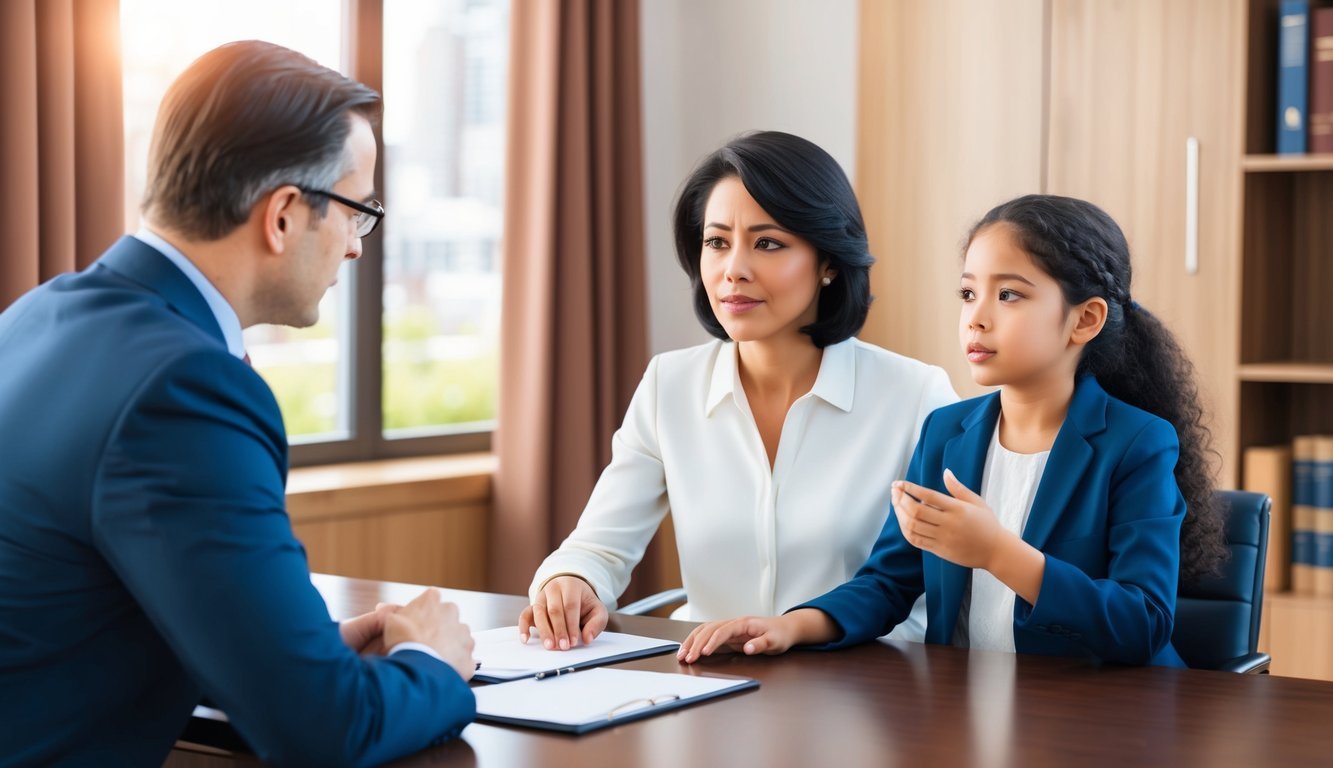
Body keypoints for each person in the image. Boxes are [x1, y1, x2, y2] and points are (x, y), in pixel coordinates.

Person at [0, 41, 476, 766]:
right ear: (284, 214)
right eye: (358, 211)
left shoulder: (35, 319)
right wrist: (435, 664)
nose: (356, 247)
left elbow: (71, 614)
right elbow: (325, 732)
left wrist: (298, 654)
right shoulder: (184, 390)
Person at [677, 194, 1228, 667]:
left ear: (1084, 319)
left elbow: (1143, 623)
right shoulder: (947, 432)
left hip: (1095, 722)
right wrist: (792, 626)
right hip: (960, 713)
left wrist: (998, 553)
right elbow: (888, 583)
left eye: (1009, 295)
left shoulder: (1136, 443)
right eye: (968, 294)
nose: (977, 318)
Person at [518, 131, 957, 651]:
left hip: (871, 688)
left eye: (767, 243)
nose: (733, 271)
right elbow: (599, 546)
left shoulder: (915, 396)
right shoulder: (669, 385)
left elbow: (944, 583)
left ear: (830, 262)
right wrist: (571, 581)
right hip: (709, 684)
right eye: (717, 242)